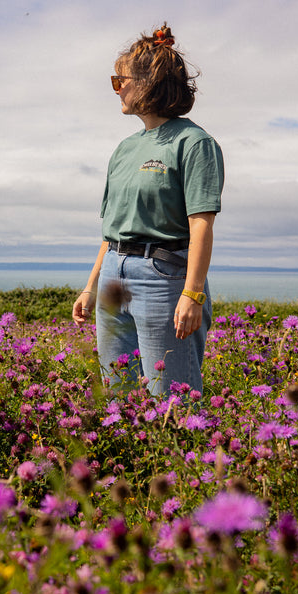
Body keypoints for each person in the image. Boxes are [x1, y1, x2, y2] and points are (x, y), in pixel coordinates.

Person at [72, 24, 224, 395]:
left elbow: (201, 224)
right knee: (117, 396)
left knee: (172, 399)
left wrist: (193, 294)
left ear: (149, 82)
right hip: (112, 276)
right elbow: (113, 231)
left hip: (163, 277)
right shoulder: (125, 149)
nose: (118, 88)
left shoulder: (194, 143)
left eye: (120, 80)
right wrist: (91, 286)